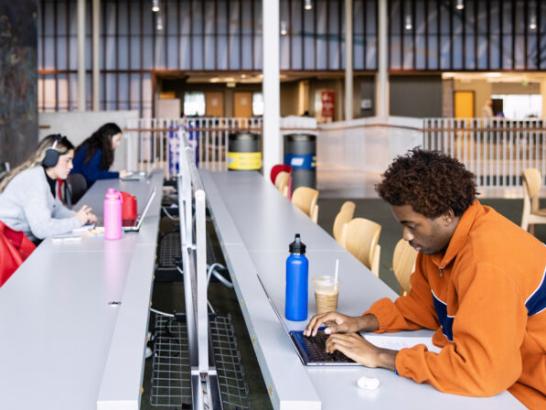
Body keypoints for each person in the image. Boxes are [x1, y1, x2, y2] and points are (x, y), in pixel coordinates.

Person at [305, 149, 546, 408]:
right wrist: (361, 322)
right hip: (502, 380)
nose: (406, 236)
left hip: (528, 392)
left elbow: (482, 372)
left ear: (447, 215)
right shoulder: (440, 244)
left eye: (412, 225)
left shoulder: (487, 263)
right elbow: (423, 308)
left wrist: (381, 356)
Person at [0, 134, 97, 242]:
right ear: (51, 158)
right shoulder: (34, 179)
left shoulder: (47, 177)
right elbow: (42, 229)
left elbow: (57, 210)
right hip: (9, 246)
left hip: (19, 242)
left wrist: (81, 217)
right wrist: (77, 221)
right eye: (67, 160)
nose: (71, 166)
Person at [72, 123, 127, 188]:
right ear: (109, 137)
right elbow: (93, 175)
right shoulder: (96, 149)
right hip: (80, 188)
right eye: (117, 140)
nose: (118, 144)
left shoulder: (99, 146)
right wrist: (117, 175)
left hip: (85, 185)